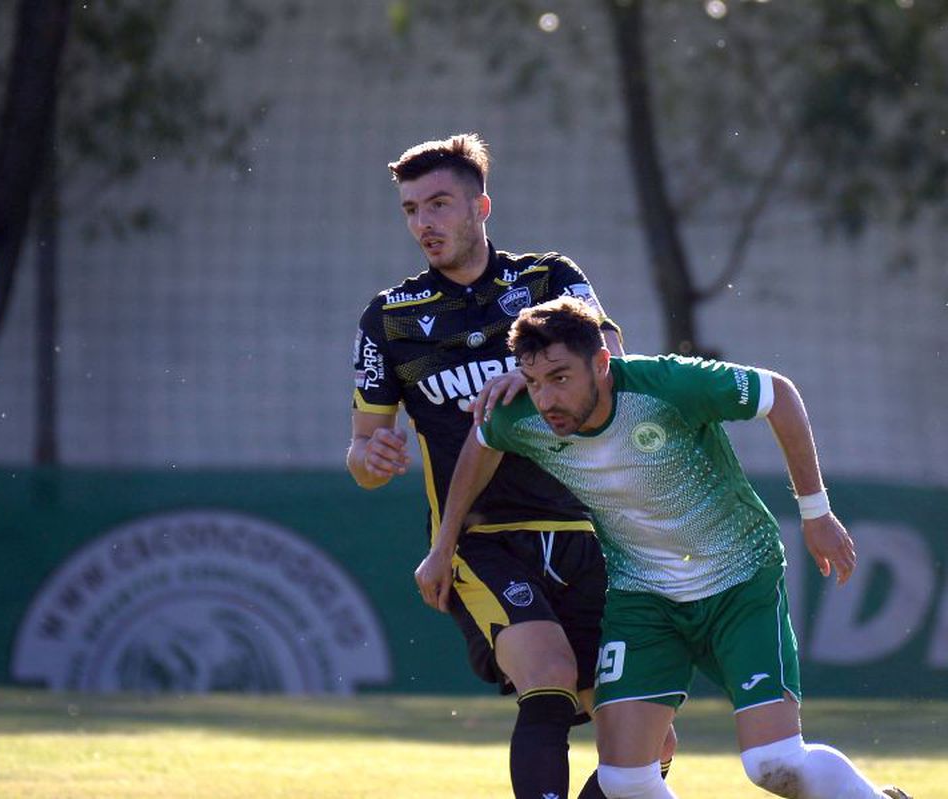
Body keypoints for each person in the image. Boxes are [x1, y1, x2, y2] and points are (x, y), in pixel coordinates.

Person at [417, 296, 912, 799]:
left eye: (561, 378)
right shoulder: (525, 415)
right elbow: (482, 442)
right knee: (624, 781)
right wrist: (444, 543)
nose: (546, 400)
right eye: (534, 380)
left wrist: (816, 513)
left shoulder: (668, 386)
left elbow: (778, 395)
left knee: (773, 764)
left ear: (602, 363)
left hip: (738, 582)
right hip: (643, 600)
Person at [348, 133, 674, 799]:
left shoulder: (547, 281)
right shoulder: (390, 319)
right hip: (483, 539)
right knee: (548, 675)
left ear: (481, 206)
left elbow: (610, 355)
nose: (423, 223)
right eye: (411, 209)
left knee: (649, 733)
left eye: (438, 204)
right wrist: (367, 457)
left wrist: (532, 376)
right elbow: (363, 448)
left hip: (588, 531)